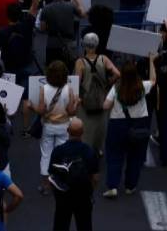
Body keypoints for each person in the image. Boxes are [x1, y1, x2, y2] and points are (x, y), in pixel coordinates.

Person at [101, 59, 153, 198]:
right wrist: (152, 60)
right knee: (135, 157)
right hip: (139, 124)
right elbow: (154, 80)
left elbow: (106, 106)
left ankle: (113, 186)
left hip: (117, 125)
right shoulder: (143, 86)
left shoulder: (116, 88)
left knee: (114, 156)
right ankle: (130, 186)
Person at [32, 60, 78, 194]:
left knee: (46, 154)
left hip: (48, 125)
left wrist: (31, 106)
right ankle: (60, 181)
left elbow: (41, 110)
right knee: (62, 155)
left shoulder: (44, 89)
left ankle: (45, 185)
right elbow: (71, 112)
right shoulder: (68, 89)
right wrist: (77, 103)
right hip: (64, 126)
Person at [48, 117, 99, 231]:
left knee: (61, 225)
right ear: (82, 132)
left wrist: (57, 194)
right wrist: (90, 191)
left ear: (68, 131)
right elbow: (95, 178)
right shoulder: (88, 151)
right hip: (83, 195)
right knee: (84, 225)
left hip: (63, 195)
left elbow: (51, 176)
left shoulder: (58, 150)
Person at [74, 33, 119, 156]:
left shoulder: (80, 62)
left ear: (84, 45)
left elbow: (77, 82)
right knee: (100, 126)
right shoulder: (103, 59)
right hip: (101, 98)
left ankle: (86, 150)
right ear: (97, 45)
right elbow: (117, 74)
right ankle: (98, 149)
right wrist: (109, 83)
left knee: (87, 127)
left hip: (86, 101)